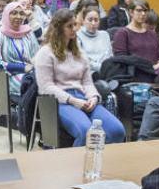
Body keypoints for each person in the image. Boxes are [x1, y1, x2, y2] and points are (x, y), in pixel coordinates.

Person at [35, 9, 125, 145]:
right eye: (69, 26)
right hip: (60, 101)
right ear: (59, 28)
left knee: (117, 130)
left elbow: (88, 82)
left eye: (75, 25)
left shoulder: (79, 52)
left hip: (84, 98)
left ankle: (100, 162)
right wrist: (73, 101)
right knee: (86, 132)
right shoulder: (45, 52)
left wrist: (94, 97)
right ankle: (76, 165)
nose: (74, 29)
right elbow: (46, 87)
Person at [0, 2, 39, 97]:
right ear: (6, 15)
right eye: (14, 13)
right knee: (34, 86)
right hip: (7, 77)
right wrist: (23, 67)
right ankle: (27, 111)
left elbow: (37, 57)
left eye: (21, 14)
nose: (18, 17)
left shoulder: (28, 33)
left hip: (30, 74)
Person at [112, 0, 159, 66]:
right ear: (131, 12)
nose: (143, 13)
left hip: (158, 70)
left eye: (145, 10)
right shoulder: (122, 33)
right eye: (139, 10)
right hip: (137, 72)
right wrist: (149, 68)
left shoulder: (153, 34)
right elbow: (121, 60)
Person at [76, 6, 113, 74]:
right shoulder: (77, 36)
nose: (93, 23)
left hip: (107, 71)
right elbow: (82, 60)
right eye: (90, 20)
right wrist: (102, 68)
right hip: (88, 73)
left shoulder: (105, 35)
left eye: (96, 20)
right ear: (83, 21)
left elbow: (109, 56)